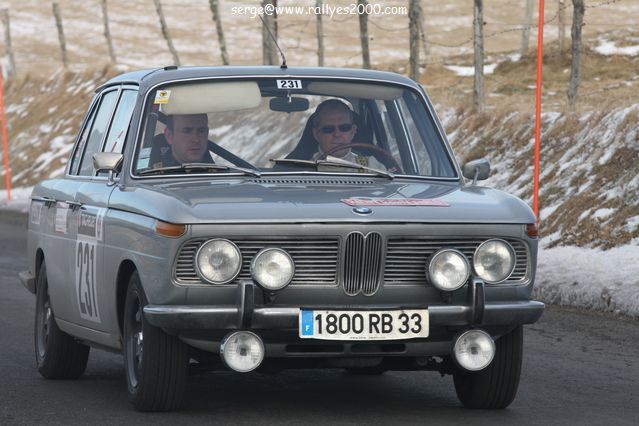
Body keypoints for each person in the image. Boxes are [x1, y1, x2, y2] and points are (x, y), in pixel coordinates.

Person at [310, 99, 386, 170]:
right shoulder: (303, 168)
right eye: (328, 129)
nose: (337, 134)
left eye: (344, 128)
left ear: (353, 131)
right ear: (316, 134)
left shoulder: (370, 167)